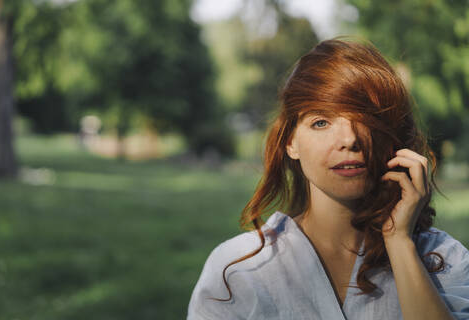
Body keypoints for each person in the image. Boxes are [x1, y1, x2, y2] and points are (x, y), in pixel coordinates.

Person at [187, 38, 469, 320]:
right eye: (321, 122)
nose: (349, 139)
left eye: (367, 119)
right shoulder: (237, 270)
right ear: (290, 143)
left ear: (393, 135)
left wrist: (399, 241)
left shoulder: (445, 260)